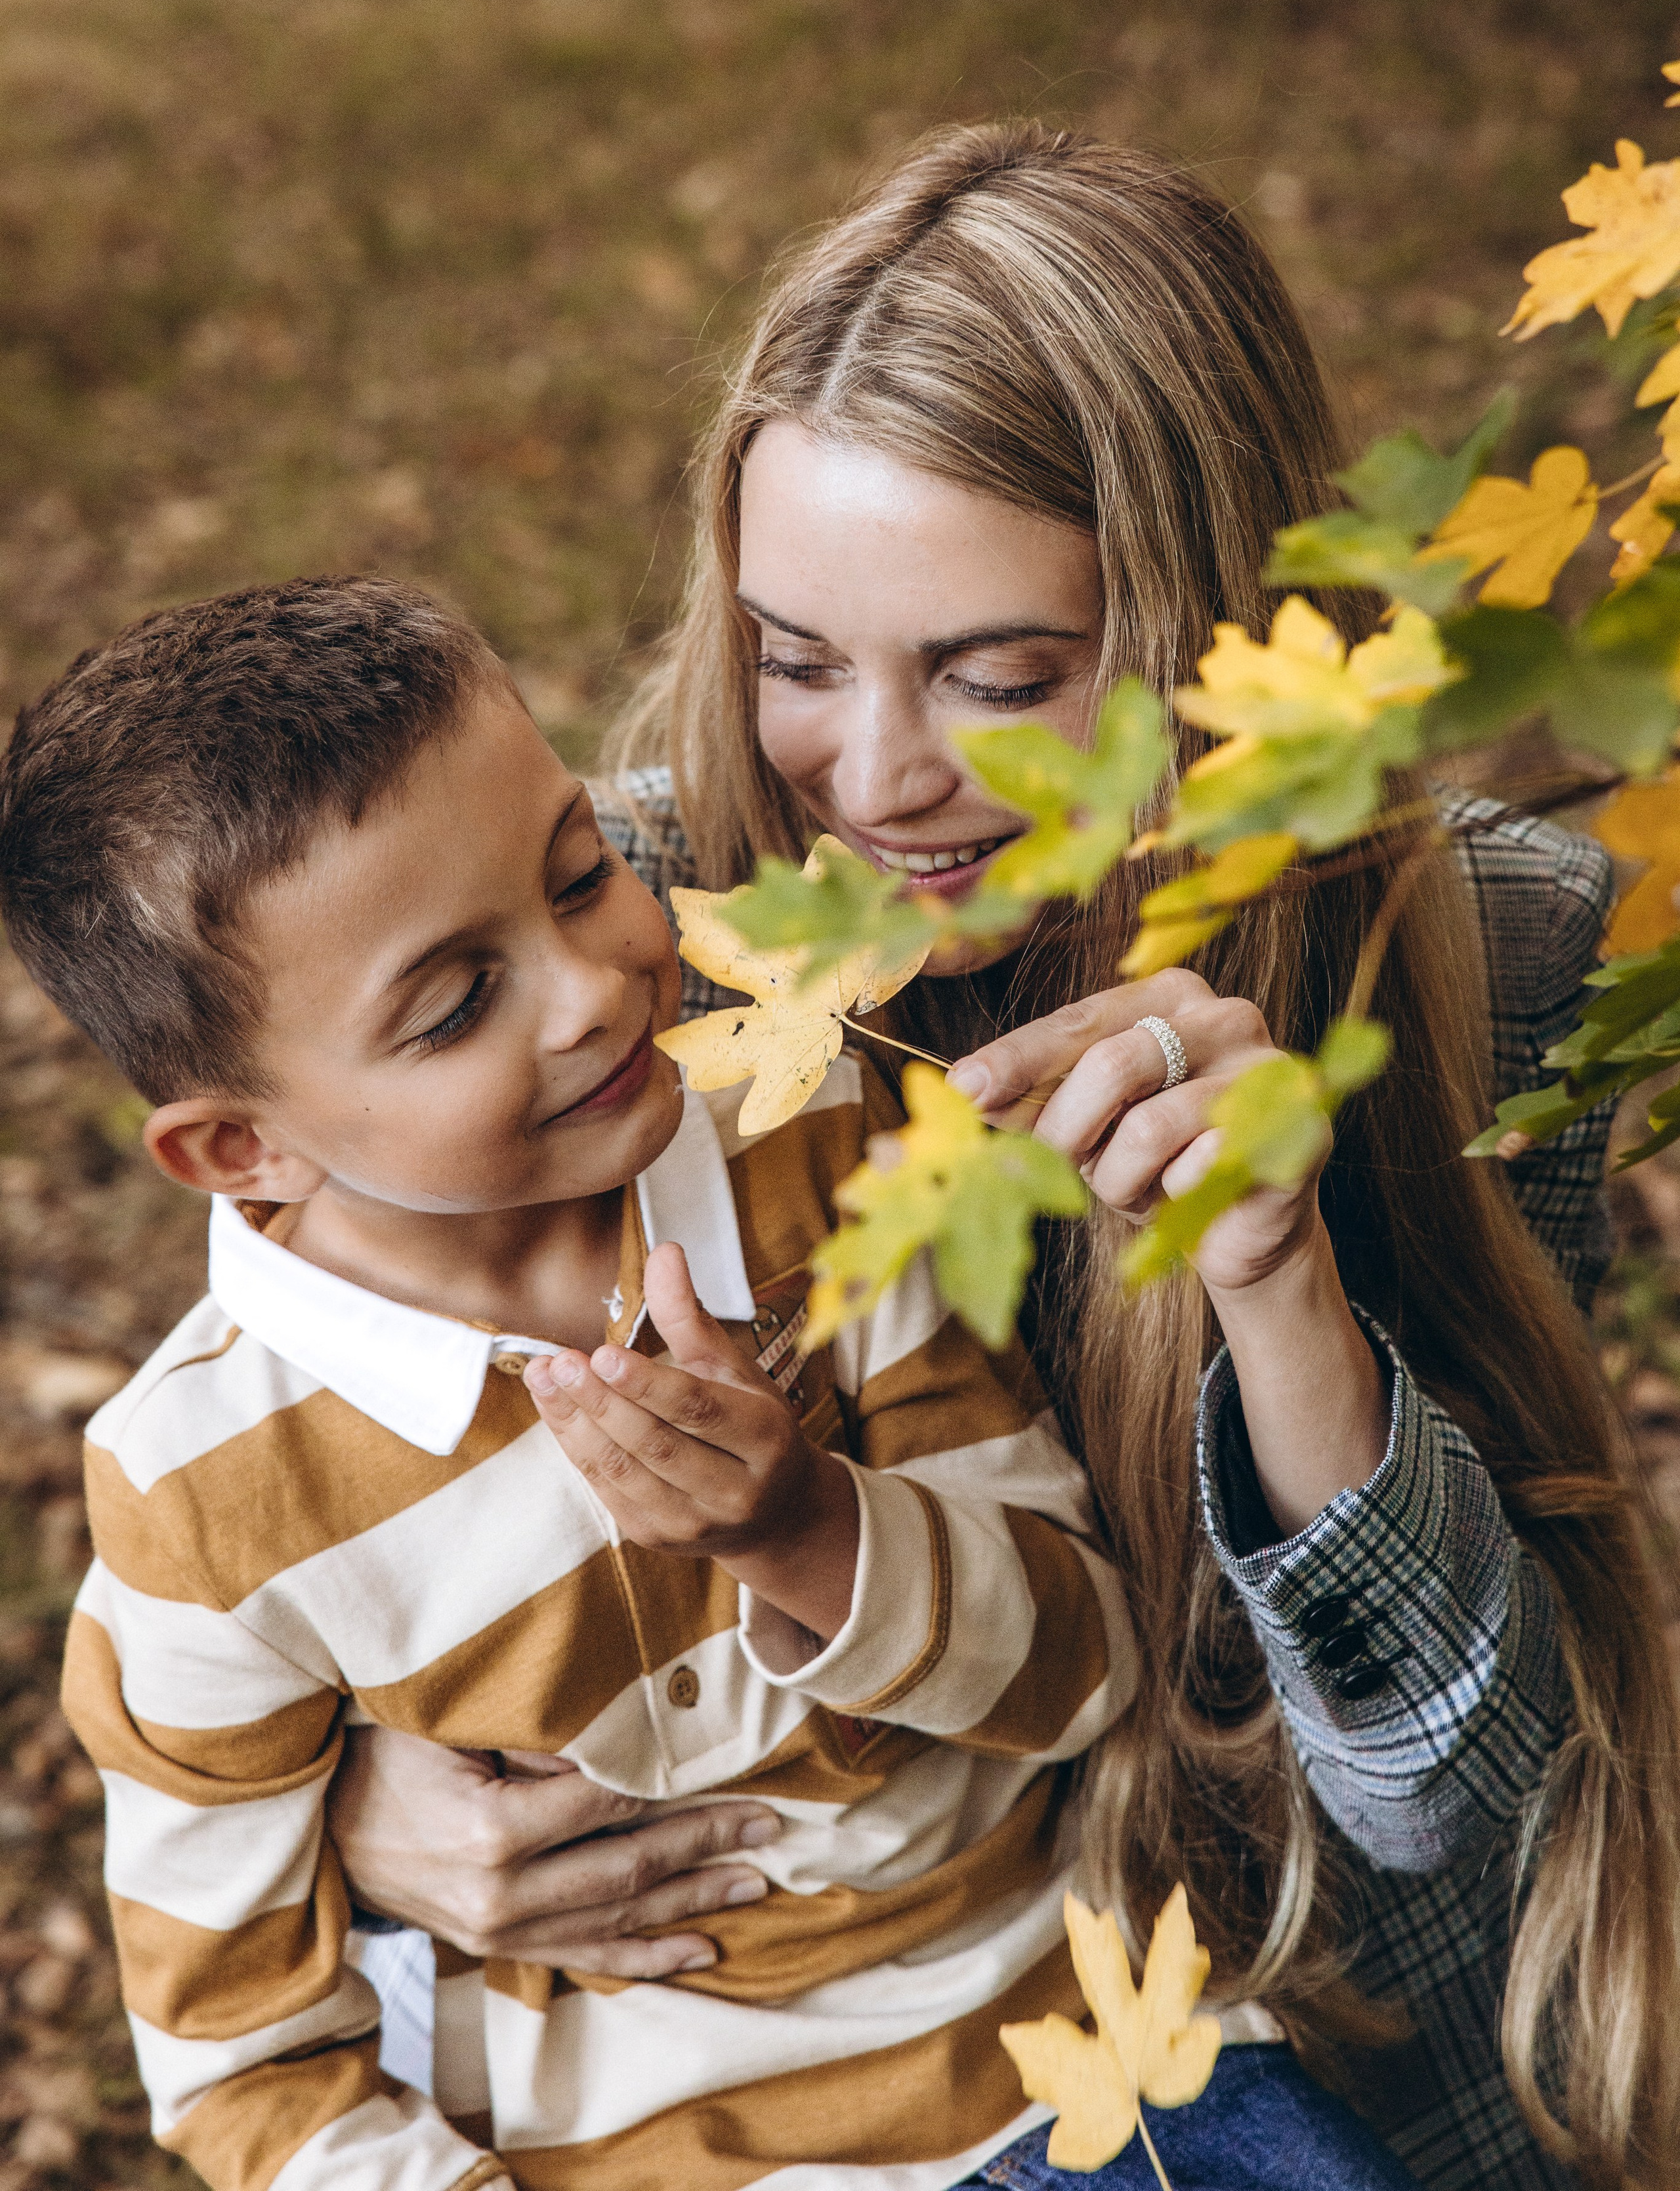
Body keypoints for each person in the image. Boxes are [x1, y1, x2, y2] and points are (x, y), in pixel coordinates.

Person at [333, 127, 1680, 2190]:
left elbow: (1460, 1807)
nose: (874, 778)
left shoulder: (1491, 951)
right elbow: (318, 1488)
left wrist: (1275, 1286)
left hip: (1302, 2034)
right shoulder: (630, 937)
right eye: (795, 659)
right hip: (787, 2062)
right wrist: (363, 1807)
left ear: (1202, 629)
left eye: (1004, 679)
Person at [1, 574, 1172, 2190]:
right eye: (456, 1004)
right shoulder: (207, 1500)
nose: (594, 987)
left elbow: (1087, 1667)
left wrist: (803, 1532)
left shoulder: (816, 1155)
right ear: (238, 1149)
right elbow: (246, 2067)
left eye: (577, 873)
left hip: (1076, 2059)